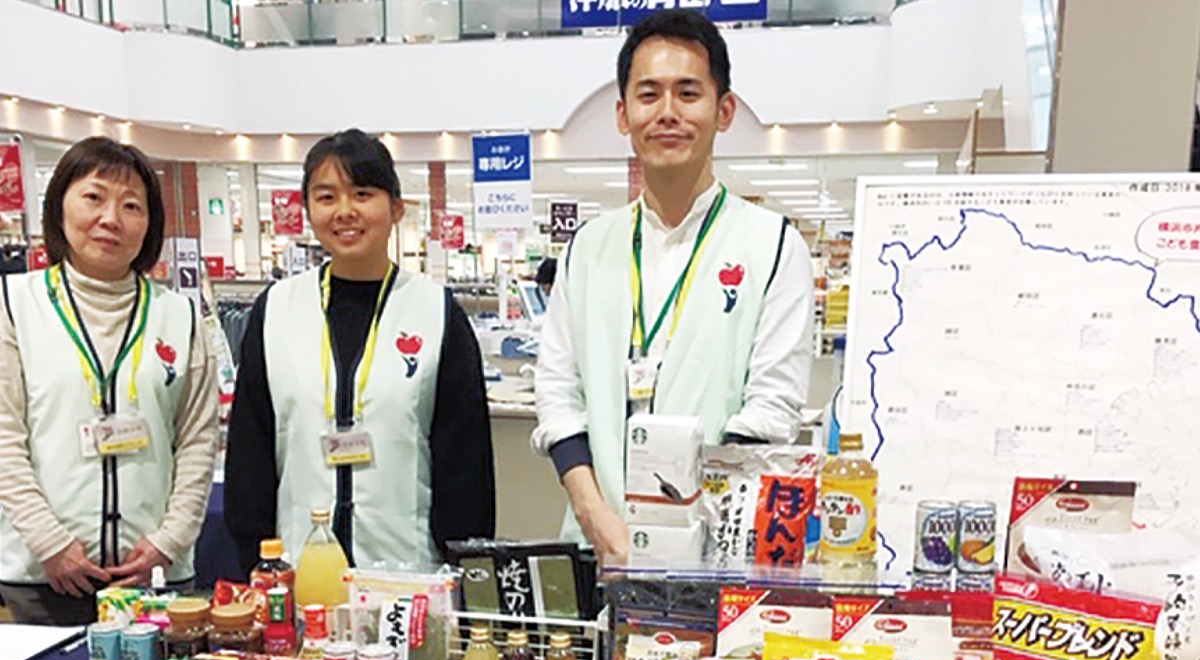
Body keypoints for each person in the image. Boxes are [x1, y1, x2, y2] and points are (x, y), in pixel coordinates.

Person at [532, 10, 814, 567]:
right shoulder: (587, 248)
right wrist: (597, 519)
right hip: (596, 547)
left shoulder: (775, 245)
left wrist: (686, 534)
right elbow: (558, 395)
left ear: (723, 110)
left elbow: (772, 409)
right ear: (623, 113)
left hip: (715, 553)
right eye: (649, 94)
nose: (667, 113)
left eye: (688, 93)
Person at [225, 129, 495, 574]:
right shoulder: (276, 310)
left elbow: (466, 465)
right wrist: (254, 561)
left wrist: (462, 570)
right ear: (309, 210)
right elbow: (250, 451)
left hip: (408, 574)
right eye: (327, 196)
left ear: (395, 208)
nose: (345, 211)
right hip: (296, 572)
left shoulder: (436, 312)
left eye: (363, 193)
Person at [0, 137, 219, 625]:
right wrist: (50, 542)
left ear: (149, 224)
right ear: (59, 207)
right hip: (41, 576)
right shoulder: (14, 305)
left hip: (156, 579)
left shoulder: (178, 315)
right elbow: (4, 441)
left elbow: (198, 440)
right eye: (94, 197)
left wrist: (169, 541)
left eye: (132, 205)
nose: (111, 218)